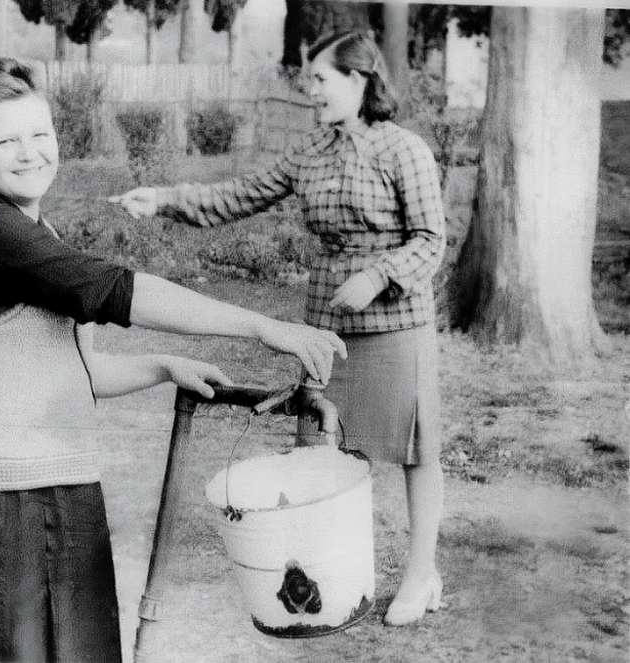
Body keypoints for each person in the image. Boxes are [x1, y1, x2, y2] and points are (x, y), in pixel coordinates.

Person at [0, 56, 347, 663]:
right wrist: (263, 326)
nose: (29, 153)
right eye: (6, 140)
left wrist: (162, 365)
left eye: (40, 135)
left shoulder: (36, 235)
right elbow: (114, 290)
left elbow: (76, 373)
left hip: (63, 490)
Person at [110, 30, 447, 627]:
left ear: (358, 79)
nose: (310, 89)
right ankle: (323, 572)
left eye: (321, 78)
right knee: (320, 447)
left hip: (396, 323)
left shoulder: (405, 150)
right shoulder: (311, 151)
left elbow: (430, 240)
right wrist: (164, 198)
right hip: (327, 327)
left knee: (414, 450)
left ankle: (422, 574)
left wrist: (377, 276)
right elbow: (242, 194)